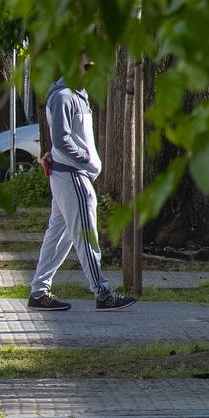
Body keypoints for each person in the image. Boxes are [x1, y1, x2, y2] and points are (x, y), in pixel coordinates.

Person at [28, 56, 136, 312]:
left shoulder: (76, 95)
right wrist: (88, 160)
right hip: (73, 175)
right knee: (86, 236)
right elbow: (62, 139)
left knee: (59, 237)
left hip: (70, 174)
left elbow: (65, 139)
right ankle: (102, 292)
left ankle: (39, 291)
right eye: (87, 67)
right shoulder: (64, 96)